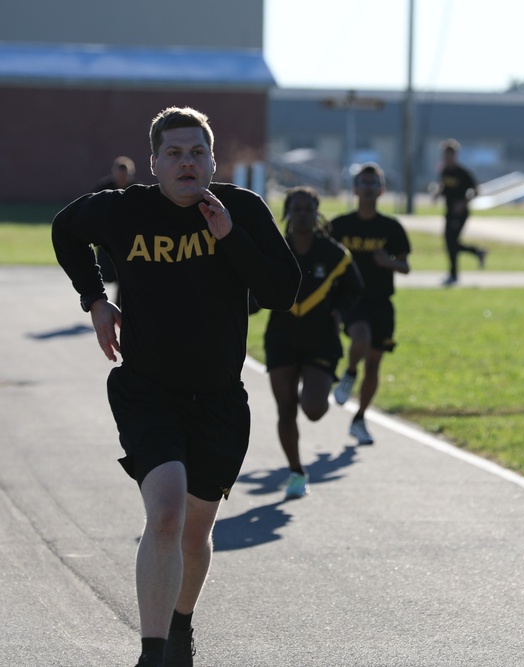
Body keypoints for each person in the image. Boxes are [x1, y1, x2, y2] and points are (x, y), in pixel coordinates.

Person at [51, 106, 300, 667]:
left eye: (197, 153)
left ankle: (181, 627)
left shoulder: (240, 209)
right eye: (174, 154)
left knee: (194, 534)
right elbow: (65, 229)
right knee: (164, 512)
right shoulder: (124, 210)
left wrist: (231, 238)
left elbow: (283, 292)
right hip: (147, 389)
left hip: (218, 399)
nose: (186, 163)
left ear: (212, 160)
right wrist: (94, 299)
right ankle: (152, 652)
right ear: (154, 163)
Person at [260, 186, 363, 500]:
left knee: (314, 409)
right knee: (285, 408)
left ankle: (328, 387)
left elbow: (354, 289)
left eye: (308, 208)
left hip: (320, 341)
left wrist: (339, 312)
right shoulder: (275, 248)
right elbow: (253, 286)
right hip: (281, 339)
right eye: (297, 207)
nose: (303, 213)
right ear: (288, 212)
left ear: (317, 213)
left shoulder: (334, 253)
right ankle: (295, 472)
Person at [327, 163, 411, 445]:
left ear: (381, 190)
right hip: (353, 299)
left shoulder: (391, 228)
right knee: (359, 337)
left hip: (381, 302)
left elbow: (406, 266)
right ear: (355, 189)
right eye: (363, 183)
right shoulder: (340, 226)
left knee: (374, 365)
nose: (368, 188)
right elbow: (323, 257)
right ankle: (349, 373)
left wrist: (389, 262)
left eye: (374, 183)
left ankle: (360, 418)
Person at [436, 138, 486, 286]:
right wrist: (437, 193)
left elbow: (476, 190)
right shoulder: (444, 170)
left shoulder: (463, 172)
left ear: (455, 155)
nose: (446, 158)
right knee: (449, 242)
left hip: (460, 213)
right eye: (444, 155)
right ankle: (477, 252)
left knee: (452, 242)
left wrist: (463, 203)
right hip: (448, 211)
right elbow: (444, 187)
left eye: (449, 155)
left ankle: (453, 274)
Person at [92, 156, 139, 303]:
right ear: (113, 173)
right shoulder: (103, 189)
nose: (122, 179)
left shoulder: (137, 190)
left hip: (129, 241)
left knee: (125, 275)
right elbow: (91, 210)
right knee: (104, 275)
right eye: (119, 175)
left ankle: (120, 306)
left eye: (125, 176)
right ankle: (99, 303)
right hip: (108, 239)